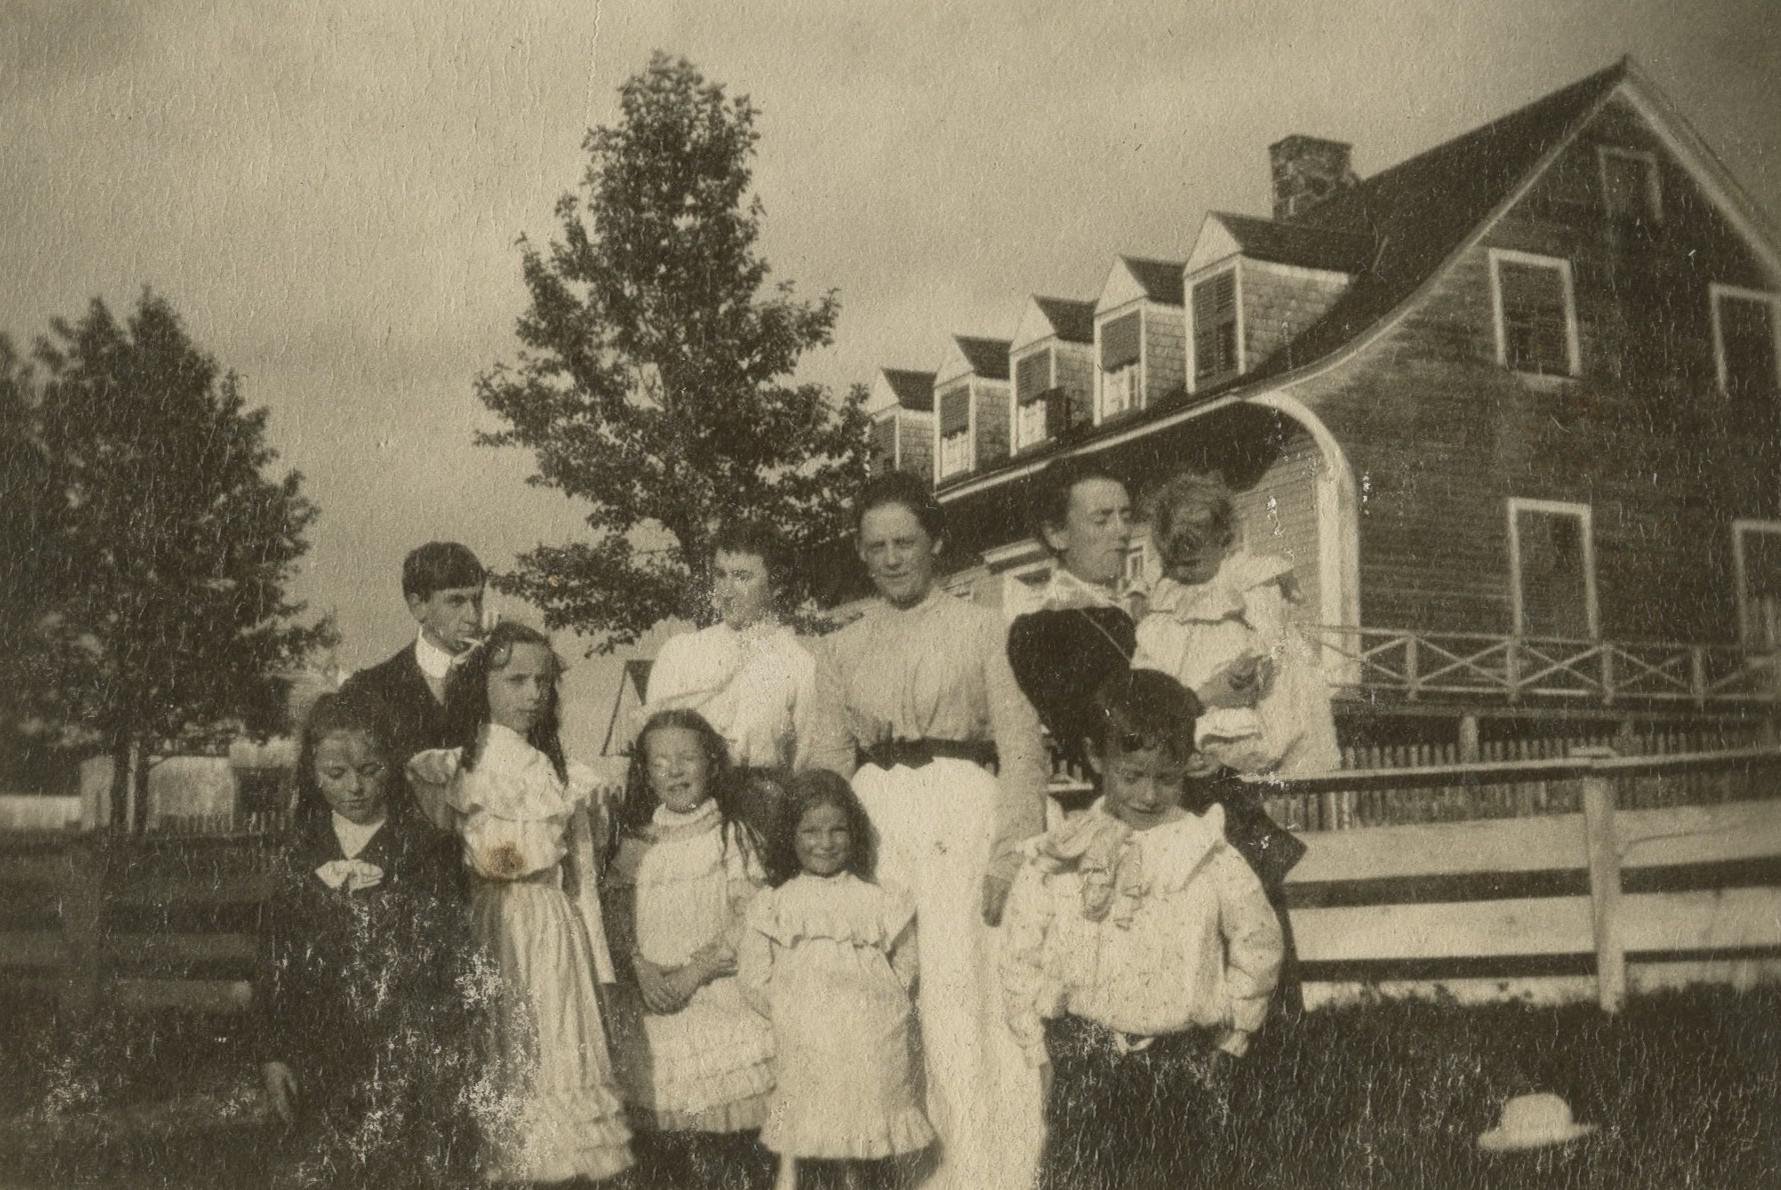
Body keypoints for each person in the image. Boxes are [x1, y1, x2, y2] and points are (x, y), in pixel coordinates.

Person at [806, 471, 1048, 1190]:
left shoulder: (982, 629)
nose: (890, 559)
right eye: (874, 545)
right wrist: (817, 859)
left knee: (960, 992)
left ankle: (982, 1173)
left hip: (960, 816)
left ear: (935, 543)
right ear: (859, 551)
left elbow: (1021, 748)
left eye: (903, 542)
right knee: (882, 995)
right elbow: (825, 762)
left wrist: (1011, 854)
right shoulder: (840, 648)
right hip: (875, 824)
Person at [999, 669, 1284, 1190]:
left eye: (1166, 778)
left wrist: (1234, 1033)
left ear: (1187, 765)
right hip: (1084, 1056)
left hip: (1181, 1061)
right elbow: (1021, 951)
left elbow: (1258, 942)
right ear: (1096, 758)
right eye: (1131, 776)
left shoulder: (1208, 854)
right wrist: (1038, 1049)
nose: (1149, 796)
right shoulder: (1062, 854)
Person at [406, 622, 633, 1185]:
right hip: (485, 927)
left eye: (543, 681)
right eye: (516, 680)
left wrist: (601, 974)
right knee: (498, 1060)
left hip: (552, 935)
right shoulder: (450, 769)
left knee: (554, 1058)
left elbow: (581, 883)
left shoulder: (562, 774)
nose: (533, 694)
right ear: (480, 685)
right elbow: (435, 870)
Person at [256, 691, 469, 1189]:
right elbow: (271, 961)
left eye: (370, 770)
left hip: (399, 1054)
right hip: (314, 1053)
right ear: (312, 772)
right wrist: (272, 1053)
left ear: (392, 766)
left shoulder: (428, 852)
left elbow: (448, 959)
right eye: (336, 774)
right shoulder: (297, 855)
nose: (354, 788)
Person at [604, 708, 778, 1189]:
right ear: (644, 772)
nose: (675, 771)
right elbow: (617, 917)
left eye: (687, 758)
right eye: (660, 762)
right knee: (668, 1153)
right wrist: (640, 969)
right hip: (654, 1008)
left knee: (728, 1148)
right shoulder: (636, 845)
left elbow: (750, 916)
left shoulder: (731, 835)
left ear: (712, 765)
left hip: (717, 999)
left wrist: (693, 973)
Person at [738, 769, 933, 1190]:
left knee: (872, 1148)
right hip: (808, 1045)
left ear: (854, 833)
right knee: (814, 1147)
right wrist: (795, 1008)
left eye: (837, 830)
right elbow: (754, 978)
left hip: (872, 1044)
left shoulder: (879, 899)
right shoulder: (775, 903)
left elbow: (906, 966)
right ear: (790, 836)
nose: (825, 843)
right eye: (810, 831)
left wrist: (883, 1006)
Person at [1130, 472, 1339, 777]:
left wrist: (1255, 659)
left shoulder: (1244, 577)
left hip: (1234, 669)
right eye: (1173, 563)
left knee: (1244, 725)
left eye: (1192, 564)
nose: (1181, 574)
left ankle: (1224, 757)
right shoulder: (1168, 577)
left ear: (1224, 542)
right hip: (1181, 665)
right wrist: (1137, 595)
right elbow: (1148, 577)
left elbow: (1268, 628)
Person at [644, 521, 817, 831]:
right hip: (686, 818)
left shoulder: (799, 665)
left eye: (742, 577)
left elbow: (804, 763)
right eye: (720, 575)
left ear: (776, 585)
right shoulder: (681, 654)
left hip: (761, 817)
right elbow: (654, 746)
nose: (726, 592)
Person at [1006, 457, 1139, 782]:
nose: (1122, 532)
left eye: (1126, 516)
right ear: (1057, 535)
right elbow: (1095, 731)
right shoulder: (1041, 630)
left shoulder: (1141, 604)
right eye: (1102, 520)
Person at [339, 541, 486, 778]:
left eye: (477, 600)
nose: (472, 616)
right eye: (456, 601)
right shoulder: (368, 689)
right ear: (418, 606)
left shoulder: (498, 681)